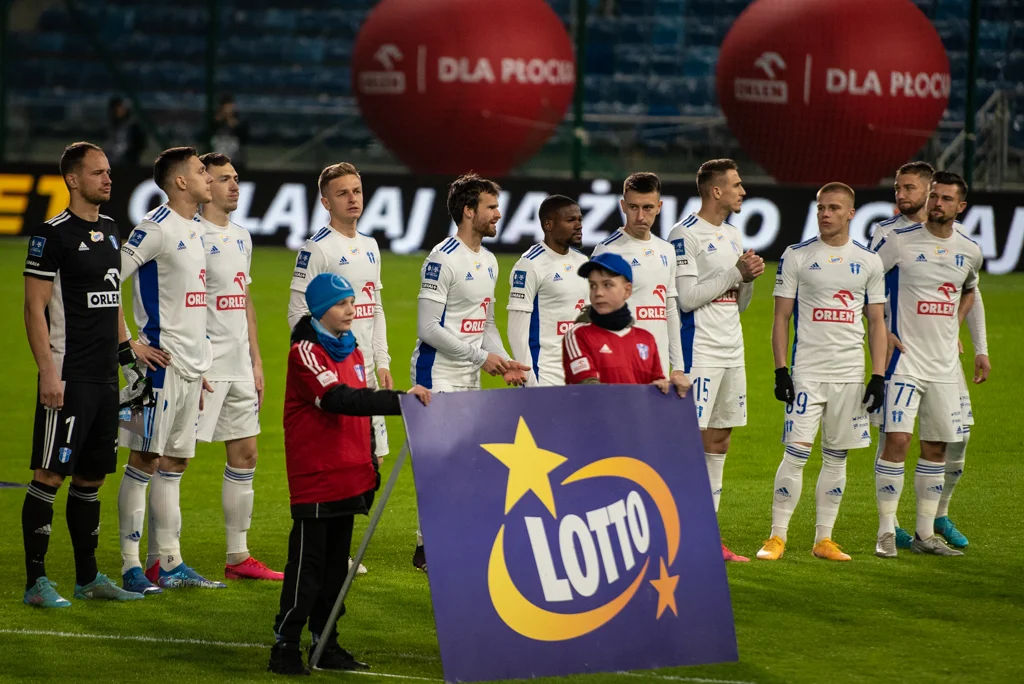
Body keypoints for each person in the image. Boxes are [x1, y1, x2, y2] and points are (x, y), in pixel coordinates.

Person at [270, 273, 431, 675]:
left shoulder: (352, 349)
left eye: (352, 302)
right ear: (321, 308)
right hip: (317, 479)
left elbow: (361, 416)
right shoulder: (305, 352)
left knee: (335, 573)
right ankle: (284, 646)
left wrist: (369, 465)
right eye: (342, 303)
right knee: (307, 569)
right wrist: (400, 401)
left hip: (349, 476)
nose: (351, 310)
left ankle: (325, 645)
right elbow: (339, 400)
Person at [21, 142, 146, 607]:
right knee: (50, 474)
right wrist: (48, 373)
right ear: (73, 179)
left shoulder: (112, 230)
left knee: (92, 477)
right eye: (98, 173)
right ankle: (36, 583)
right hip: (68, 374)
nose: (108, 179)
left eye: (109, 171)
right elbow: (34, 309)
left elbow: (112, 303)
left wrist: (127, 356)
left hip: (104, 377)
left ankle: (88, 578)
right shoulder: (50, 235)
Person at [757, 183, 886, 562]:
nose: (825, 214)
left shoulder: (869, 261)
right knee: (795, 454)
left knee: (836, 457)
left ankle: (823, 540)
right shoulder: (797, 256)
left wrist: (877, 375)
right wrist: (782, 371)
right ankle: (776, 536)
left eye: (833, 208)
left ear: (851, 213)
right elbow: (780, 317)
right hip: (807, 375)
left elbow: (877, 323)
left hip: (849, 376)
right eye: (820, 208)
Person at [409, 172, 530, 570]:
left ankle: (448, 541)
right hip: (437, 371)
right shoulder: (442, 259)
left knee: (465, 460)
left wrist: (504, 359)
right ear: (468, 211)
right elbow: (428, 328)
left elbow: (486, 323)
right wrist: (482, 358)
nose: (499, 214)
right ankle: (428, 548)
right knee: (439, 460)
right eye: (491, 207)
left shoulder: (490, 260)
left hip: (468, 371)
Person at [868, 161, 990, 550]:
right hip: (903, 361)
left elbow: (970, 289)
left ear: (961, 206)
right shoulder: (897, 240)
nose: (937, 202)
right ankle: (887, 530)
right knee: (897, 441)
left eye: (945, 198)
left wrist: (968, 336)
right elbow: (863, 282)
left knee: (940, 445)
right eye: (934, 195)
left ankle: (927, 532)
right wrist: (881, 329)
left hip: (943, 364)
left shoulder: (969, 250)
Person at [117, 146, 222, 591]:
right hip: (158, 367)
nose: (208, 178)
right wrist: (129, 345)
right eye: (201, 172)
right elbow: (107, 280)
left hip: (191, 367)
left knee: (174, 462)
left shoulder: (196, 230)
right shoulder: (154, 229)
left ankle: (168, 562)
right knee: (144, 460)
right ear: (180, 181)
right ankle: (130, 566)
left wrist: (202, 363)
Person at [288, 162, 392, 576]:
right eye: (343, 192)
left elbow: (375, 307)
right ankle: (335, 555)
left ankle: (340, 550)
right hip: (336, 372)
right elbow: (298, 310)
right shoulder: (317, 249)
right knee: (340, 462)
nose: (353, 198)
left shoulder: (370, 245)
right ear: (325, 200)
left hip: (366, 368)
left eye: (357, 190)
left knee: (370, 460)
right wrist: (326, 364)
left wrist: (382, 361)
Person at [667, 159, 764, 562]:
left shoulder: (732, 234)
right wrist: (734, 273)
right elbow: (686, 299)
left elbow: (737, 303)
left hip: (732, 348)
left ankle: (709, 537)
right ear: (716, 191)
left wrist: (748, 278)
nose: (743, 191)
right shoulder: (683, 234)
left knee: (721, 438)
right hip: (700, 349)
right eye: (737, 185)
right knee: (689, 441)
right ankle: (677, 533)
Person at [194, 152, 282, 581]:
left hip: (239, 366)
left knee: (246, 454)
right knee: (169, 461)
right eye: (224, 179)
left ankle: (238, 556)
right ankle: (158, 558)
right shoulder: (188, 234)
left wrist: (257, 361)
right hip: (199, 368)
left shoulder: (243, 237)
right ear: (201, 183)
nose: (234, 186)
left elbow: (242, 299)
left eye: (236, 179)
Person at [591, 173, 686, 385]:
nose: (641, 216)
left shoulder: (667, 250)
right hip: (618, 367)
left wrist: (678, 366)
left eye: (648, 208)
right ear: (623, 206)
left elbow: (669, 309)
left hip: (658, 369)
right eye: (634, 207)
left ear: (659, 206)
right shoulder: (608, 251)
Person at [563, 252, 689, 398]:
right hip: (597, 420)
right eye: (593, 286)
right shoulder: (578, 335)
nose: (598, 293)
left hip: (638, 419)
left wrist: (663, 388)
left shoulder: (646, 339)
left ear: (627, 290)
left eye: (607, 285)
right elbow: (589, 390)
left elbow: (657, 389)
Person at [506, 195, 589, 386]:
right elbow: (516, 331)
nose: (579, 225)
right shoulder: (529, 265)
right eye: (570, 220)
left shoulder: (583, 262)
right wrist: (530, 382)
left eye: (580, 220)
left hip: (578, 376)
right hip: (545, 377)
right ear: (548, 225)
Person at [210, 95, 249, 170]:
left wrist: (229, 117)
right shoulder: (215, 118)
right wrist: (221, 117)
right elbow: (209, 130)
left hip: (235, 155)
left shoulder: (239, 118)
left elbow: (243, 135)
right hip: (217, 152)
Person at [104, 97, 146, 166]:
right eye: (117, 108)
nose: (119, 110)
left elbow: (139, 145)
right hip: (113, 161)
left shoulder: (133, 126)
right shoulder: (115, 126)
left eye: (121, 107)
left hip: (127, 163)